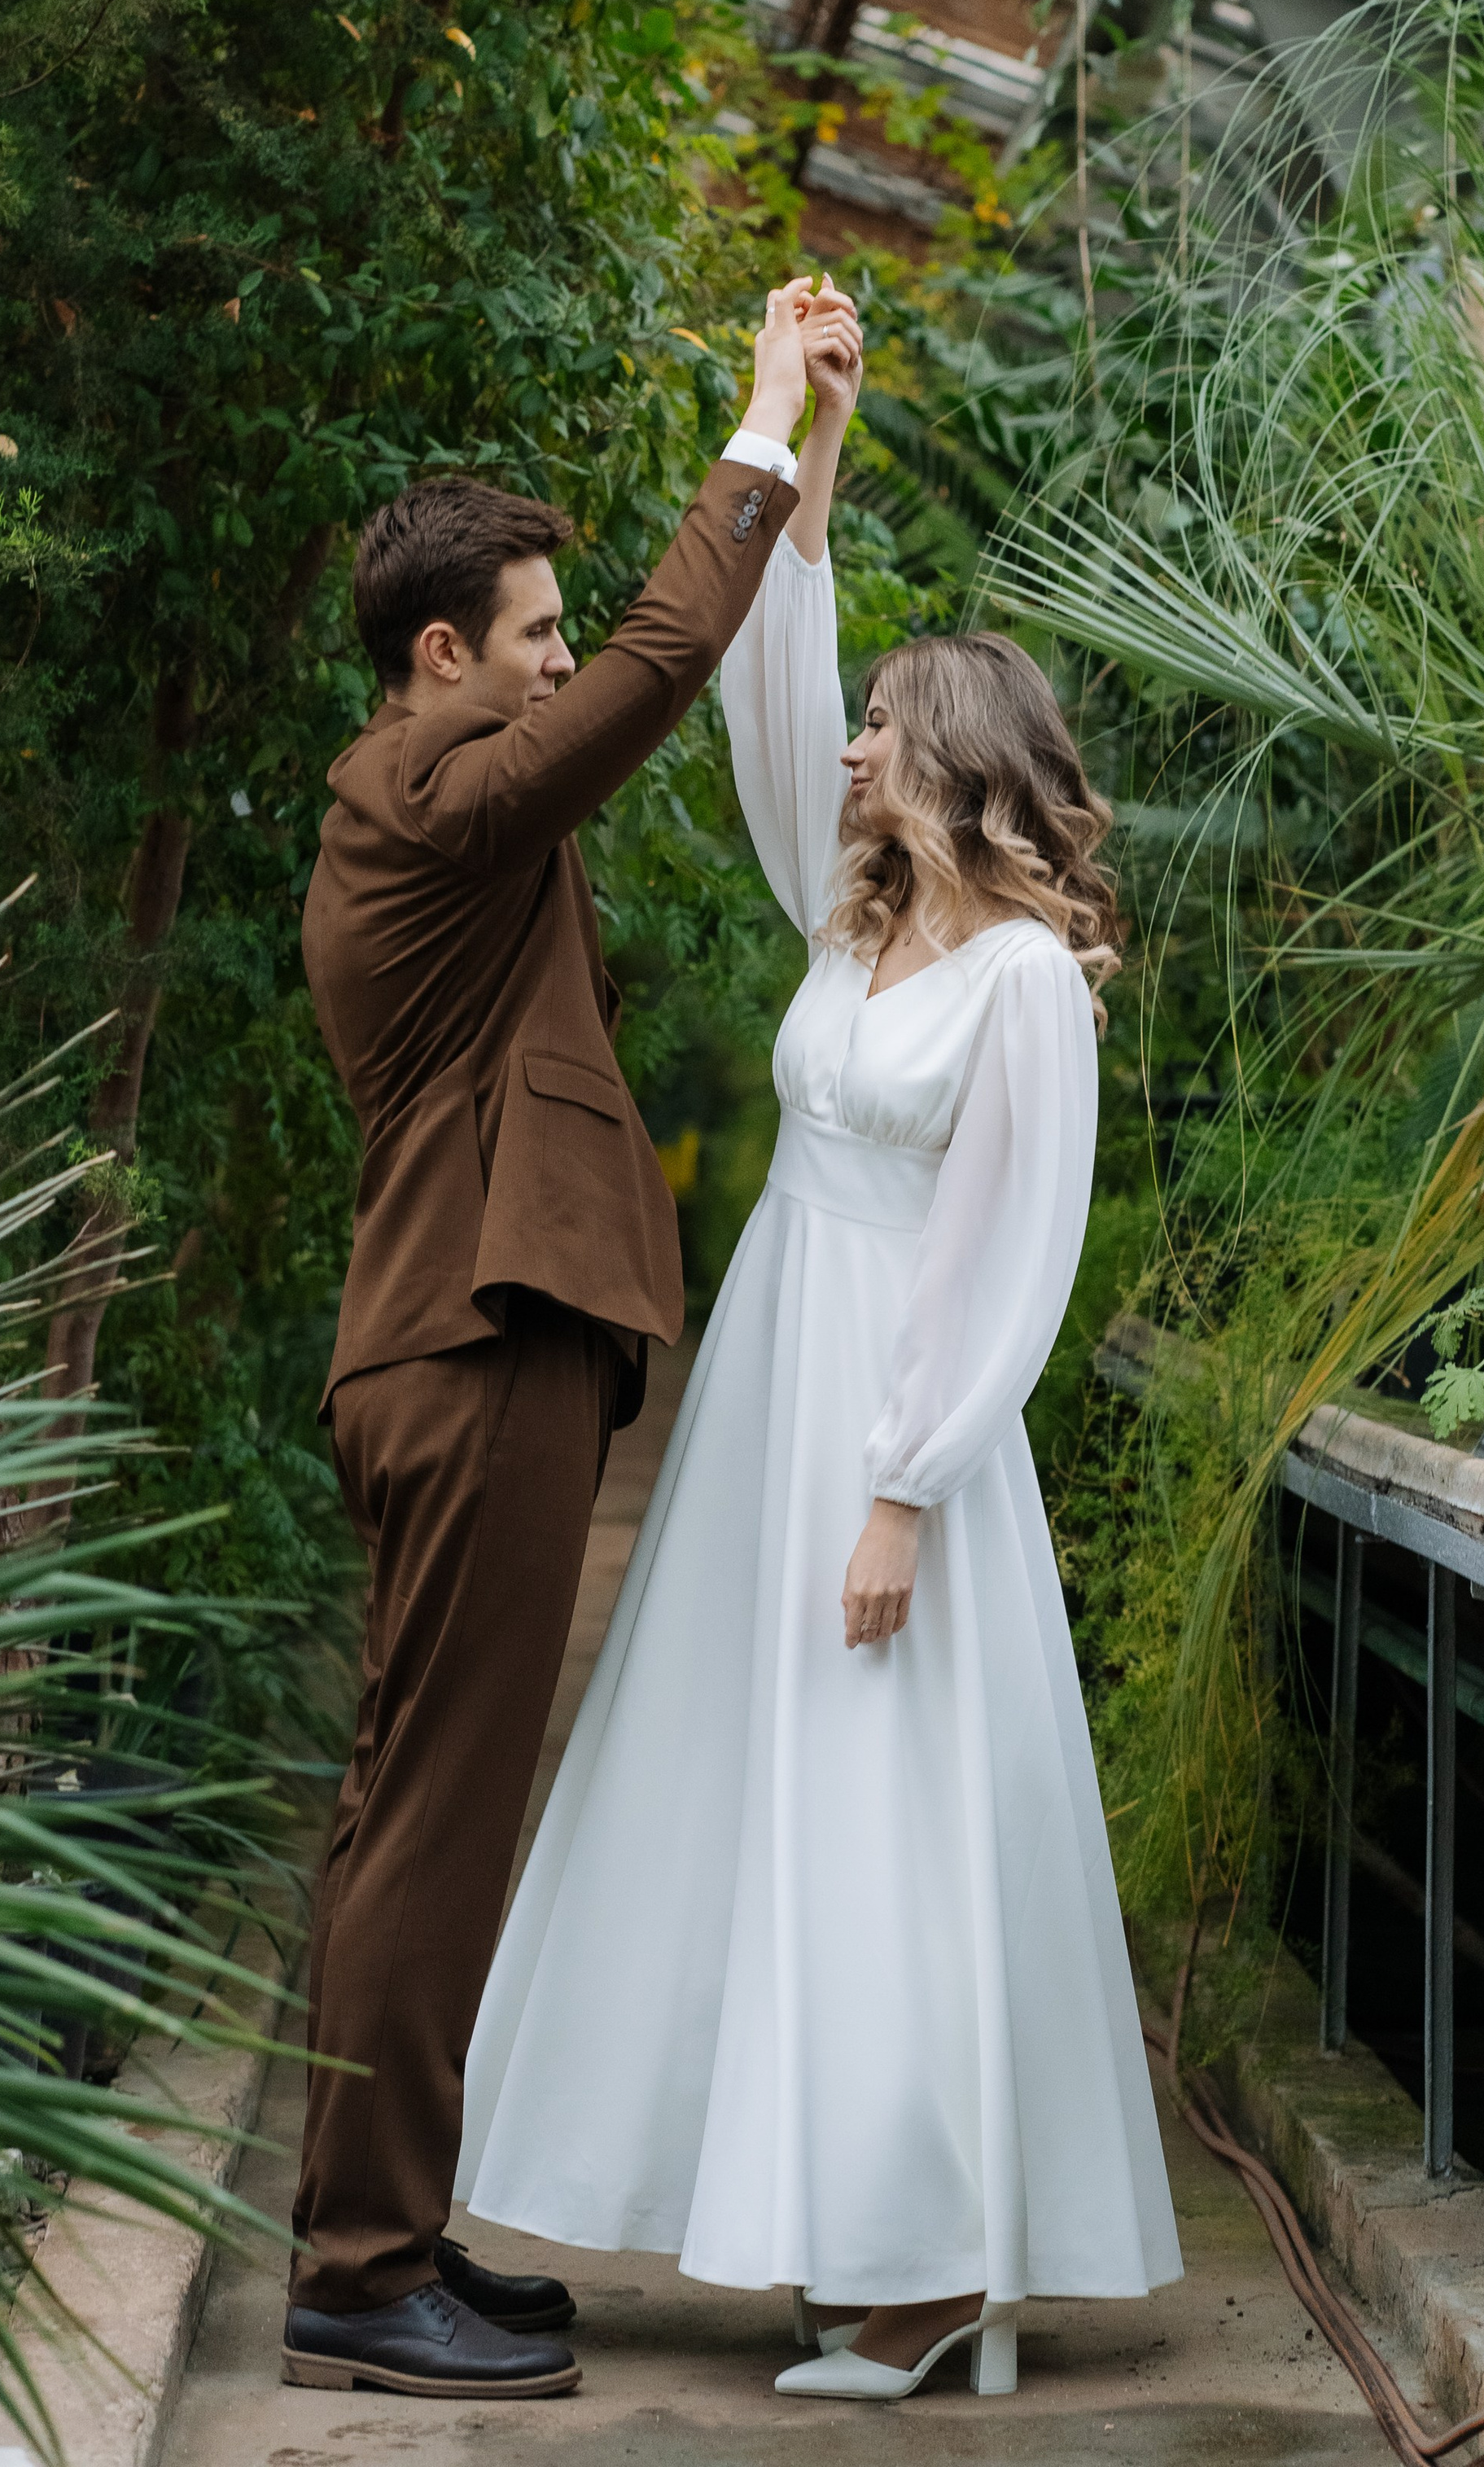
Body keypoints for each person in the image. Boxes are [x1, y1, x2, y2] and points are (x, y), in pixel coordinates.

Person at [455, 314, 1182, 2399]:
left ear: (952, 762)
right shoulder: (849, 928)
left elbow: (1008, 1264)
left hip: (889, 1414)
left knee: (887, 1805)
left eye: (884, 734)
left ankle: (933, 2261)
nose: (849, 754)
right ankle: (823, 2218)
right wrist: (807, 449)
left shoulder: (1028, 986)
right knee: (767, 1789)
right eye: (857, 731)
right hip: (775, 1389)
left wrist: (904, 1483)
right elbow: (771, 694)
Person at [284, 278, 863, 2402]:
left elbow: (631, 676)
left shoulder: (435, 805)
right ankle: (362, 2265)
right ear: (445, 654)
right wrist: (744, 424)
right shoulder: (416, 799)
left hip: (467, 1345)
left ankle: (381, 2234)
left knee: (409, 1803)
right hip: (470, 1344)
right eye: (526, 632)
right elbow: (650, 672)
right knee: (436, 1810)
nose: (556, 660)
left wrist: (811, 458)